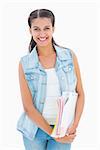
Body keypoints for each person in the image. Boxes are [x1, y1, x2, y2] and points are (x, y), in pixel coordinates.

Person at [17, 9, 85, 150]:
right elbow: (28, 107)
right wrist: (53, 133)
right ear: (30, 31)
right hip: (34, 131)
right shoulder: (25, 63)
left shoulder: (69, 56)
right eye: (36, 29)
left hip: (64, 128)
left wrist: (74, 125)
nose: (42, 34)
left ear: (53, 28)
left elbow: (80, 93)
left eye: (46, 28)